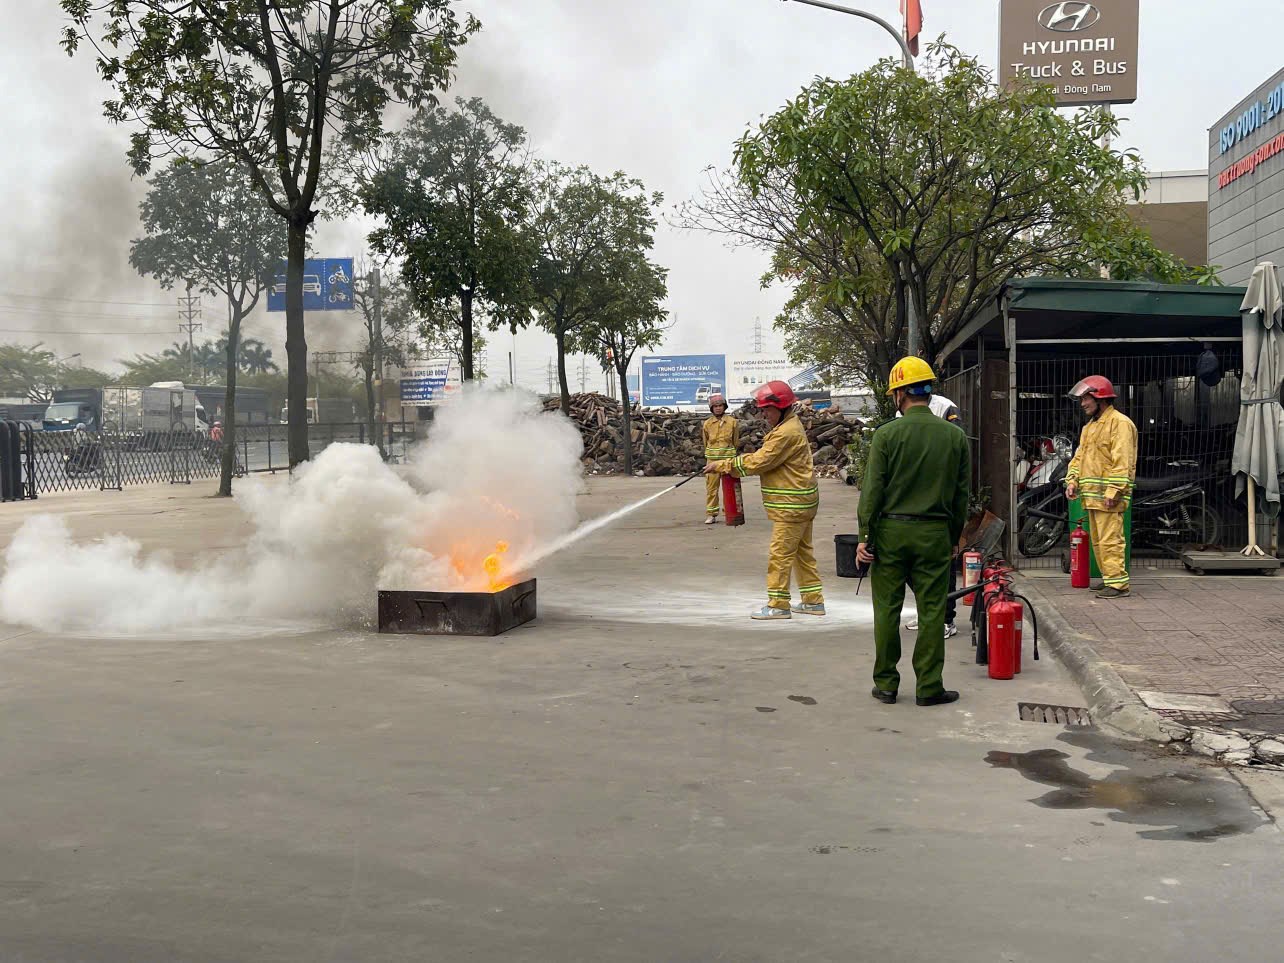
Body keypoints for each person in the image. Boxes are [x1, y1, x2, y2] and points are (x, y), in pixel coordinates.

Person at [857, 357, 970, 707]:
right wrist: (954, 538)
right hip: (935, 533)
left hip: (891, 533)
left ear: (900, 394)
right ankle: (929, 687)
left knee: (887, 610)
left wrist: (865, 537)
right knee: (933, 610)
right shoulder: (954, 436)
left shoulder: (886, 435)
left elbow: (872, 492)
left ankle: (887, 684)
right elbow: (960, 495)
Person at [705, 380, 824, 620]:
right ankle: (813, 601)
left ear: (781, 407)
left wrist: (725, 465)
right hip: (800, 502)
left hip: (791, 505)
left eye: (767, 410)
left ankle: (779, 604)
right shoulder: (789, 426)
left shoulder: (785, 433)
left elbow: (760, 462)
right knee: (802, 553)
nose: (764, 415)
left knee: (780, 555)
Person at [897, 391, 965, 639]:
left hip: (938, 501)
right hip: (910, 502)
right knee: (909, 567)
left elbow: (956, 451)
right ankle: (929, 610)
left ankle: (946, 619)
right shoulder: (901, 411)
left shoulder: (946, 408)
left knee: (943, 566)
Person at [1064, 375, 1137, 599]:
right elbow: (1079, 457)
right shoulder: (1090, 427)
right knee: (1099, 541)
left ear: (1100, 398)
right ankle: (1109, 579)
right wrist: (1072, 480)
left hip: (1108, 497)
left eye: (1086, 398)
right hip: (1093, 498)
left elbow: (1122, 460)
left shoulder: (1120, 423)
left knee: (1110, 540)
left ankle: (1118, 585)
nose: (1083, 403)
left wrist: (1114, 490)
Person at [701, 393, 739, 525]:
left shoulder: (733, 422)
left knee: (731, 488)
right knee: (712, 489)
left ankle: (732, 512)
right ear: (711, 408)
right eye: (715, 406)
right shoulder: (707, 424)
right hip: (712, 461)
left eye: (720, 405)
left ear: (724, 406)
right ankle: (711, 514)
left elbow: (735, 441)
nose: (718, 408)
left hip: (728, 461)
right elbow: (706, 442)